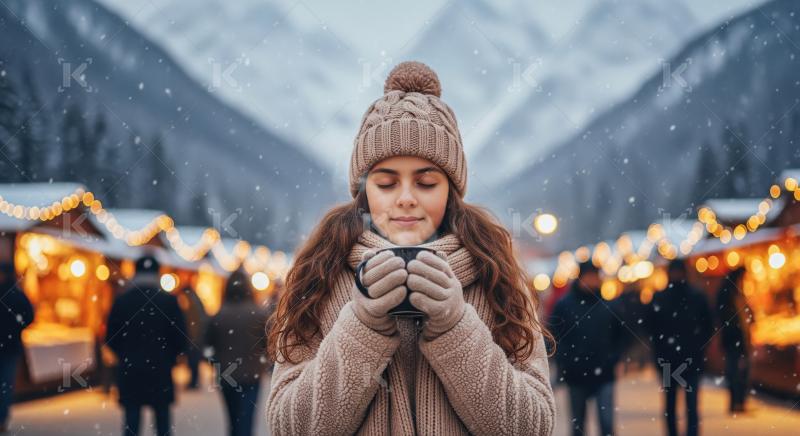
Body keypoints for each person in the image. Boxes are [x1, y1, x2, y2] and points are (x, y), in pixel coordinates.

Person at [265, 61, 556, 434]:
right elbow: (289, 427)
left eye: (426, 182)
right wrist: (361, 326)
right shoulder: (320, 274)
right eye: (386, 183)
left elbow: (533, 426)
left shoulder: (495, 275)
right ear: (364, 191)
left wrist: (455, 326)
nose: (405, 198)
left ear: (450, 190)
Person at [106, 255, 188, 436]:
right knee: (162, 422)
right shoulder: (169, 301)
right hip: (160, 369)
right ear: (158, 274)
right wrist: (170, 357)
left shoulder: (122, 301)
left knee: (132, 421)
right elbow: (181, 339)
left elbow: (110, 337)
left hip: (130, 370)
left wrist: (125, 355)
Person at [550, 261, 623, 436]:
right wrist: (565, 359)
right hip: (576, 374)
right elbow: (553, 336)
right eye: (588, 277)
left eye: (594, 277)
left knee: (607, 423)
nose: (592, 281)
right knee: (578, 425)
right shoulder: (564, 305)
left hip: (604, 373)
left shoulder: (608, 305)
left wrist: (614, 358)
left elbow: (621, 336)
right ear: (580, 278)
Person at [647, 259, 712, 436]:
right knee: (680, 404)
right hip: (680, 361)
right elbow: (651, 328)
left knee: (684, 405)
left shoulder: (665, 298)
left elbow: (651, 329)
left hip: (683, 360)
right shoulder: (695, 296)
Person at [205, 268, 272, 436]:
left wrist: (216, 364)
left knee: (232, 421)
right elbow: (268, 345)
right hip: (252, 374)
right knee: (246, 421)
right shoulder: (258, 314)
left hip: (226, 375)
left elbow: (206, 346)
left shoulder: (219, 315)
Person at [0, 263, 33, 433]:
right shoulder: (16, 294)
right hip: (11, 346)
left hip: (9, 347)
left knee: (5, 384)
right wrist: (16, 327)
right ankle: (1, 419)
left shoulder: (14, 294)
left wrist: (14, 328)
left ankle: (1, 419)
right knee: (5, 385)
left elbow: (29, 316)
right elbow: (29, 316)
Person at [716, 267, 752, 414]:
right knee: (736, 372)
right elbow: (732, 319)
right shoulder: (732, 295)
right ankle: (737, 402)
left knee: (737, 371)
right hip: (735, 339)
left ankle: (738, 402)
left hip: (735, 339)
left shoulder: (731, 293)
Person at [177, 274, 208, 390]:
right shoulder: (195, 299)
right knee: (194, 360)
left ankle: (193, 382)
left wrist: (192, 336)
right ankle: (194, 381)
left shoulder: (191, 301)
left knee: (193, 360)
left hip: (194, 337)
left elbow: (194, 320)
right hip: (197, 336)